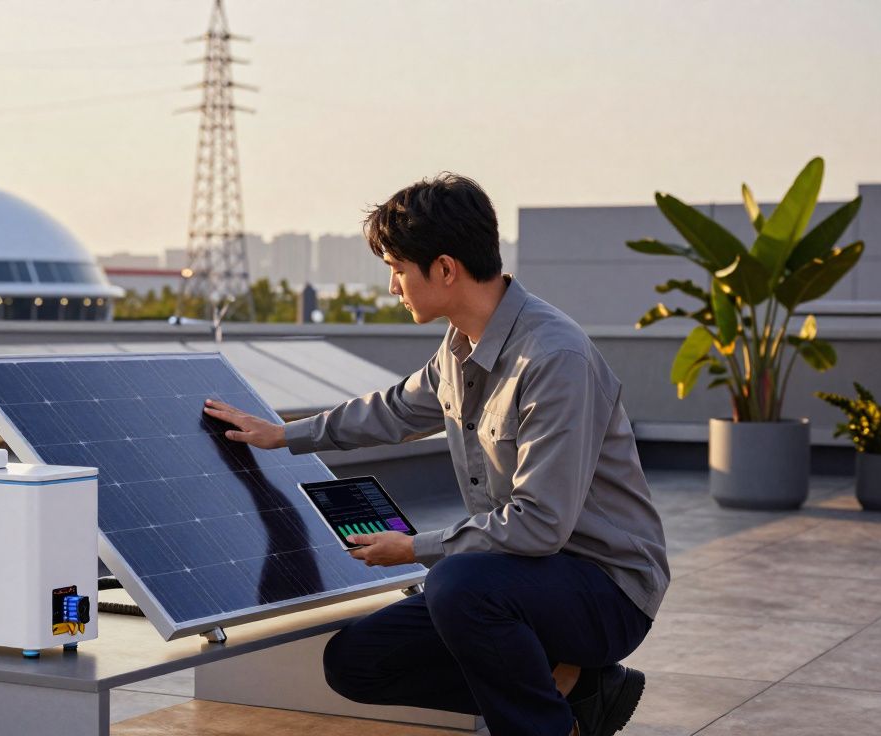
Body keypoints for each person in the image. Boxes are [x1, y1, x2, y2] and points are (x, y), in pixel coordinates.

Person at [203, 173, 669, 736]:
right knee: (356, 663)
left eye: (398, 270)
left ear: (445, 269)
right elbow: (392, 410)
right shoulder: (459, 348)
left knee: (458, 584)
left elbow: (542, 525)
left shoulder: (553, 359)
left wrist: (414, 549)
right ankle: (578, 688)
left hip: (605, 588)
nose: (393, 287)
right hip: (519, 576)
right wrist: (282, 434)